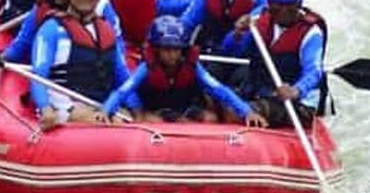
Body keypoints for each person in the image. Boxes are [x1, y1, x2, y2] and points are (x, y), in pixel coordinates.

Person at [103, 16, 268, 126]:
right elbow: (123, 90)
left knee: (210, 119)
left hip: (185, 108)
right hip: (157, 110)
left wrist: (246, 111)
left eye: (176, 49)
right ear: (156, 49)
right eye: (166, 49)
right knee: (152, 122)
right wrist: (107, 109)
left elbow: (218, 89)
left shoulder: (192, 66)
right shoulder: (147, 67)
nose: (172, 55)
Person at [31, 0, 131, 131]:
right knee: (100, 123)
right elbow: (38, 75)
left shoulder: (107, 30)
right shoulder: (51, 30)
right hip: (63, 101)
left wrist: (137, 107)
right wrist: (45, 108)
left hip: (100, 102)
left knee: (127, 120)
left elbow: (122, 75)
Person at [227, 0, 328, 129]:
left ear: (299, 3)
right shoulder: (258, 18)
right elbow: (232, 51)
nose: (283, 11)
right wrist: (237, 34)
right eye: (278, 5)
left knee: (235, 112)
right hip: (264, 91)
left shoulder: (311, 33)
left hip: (298, 104)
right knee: (218, 100)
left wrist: (296, 90)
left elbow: (314, 71)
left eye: (290, 6)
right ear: (269, 2)